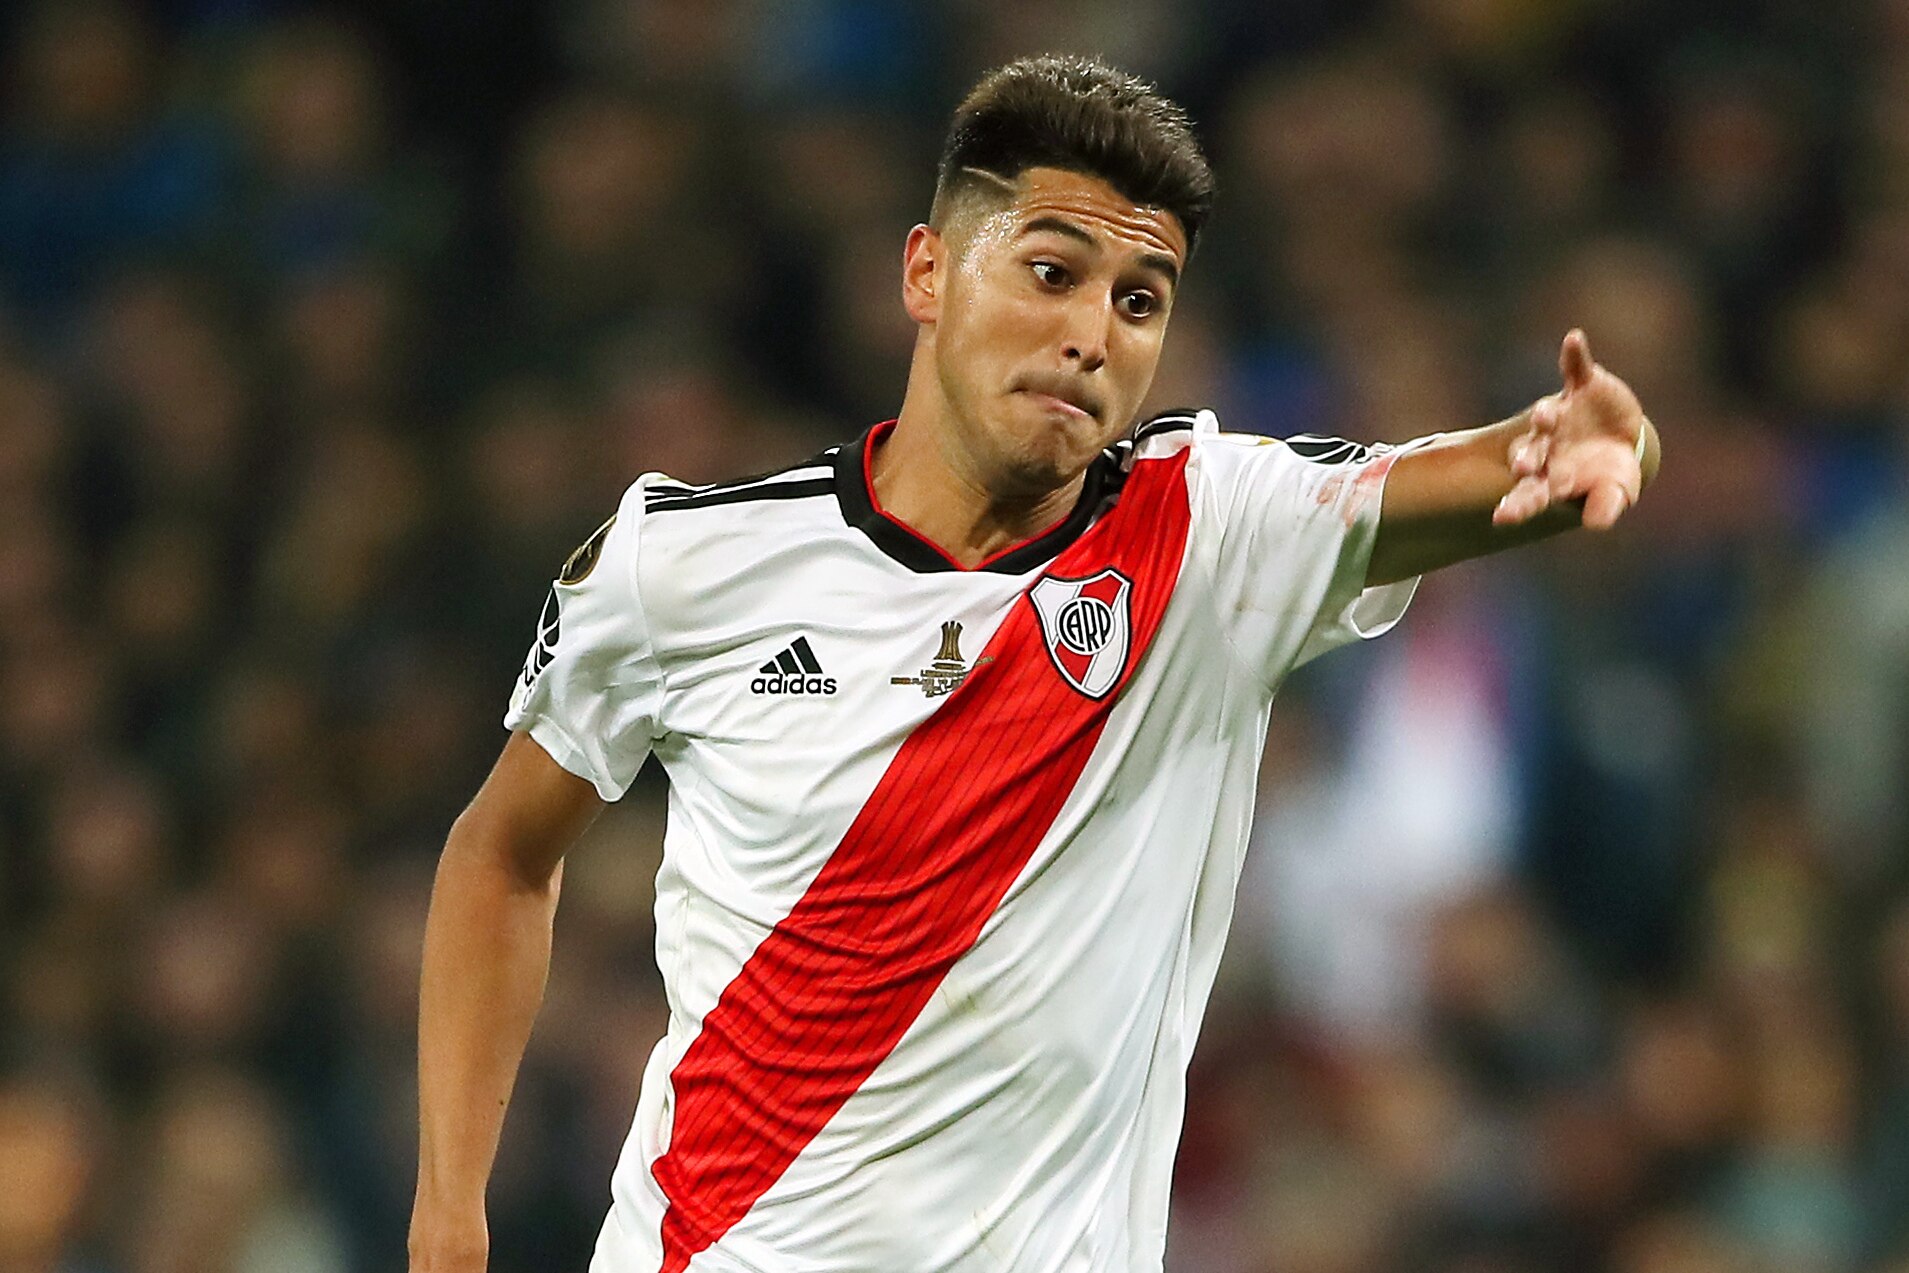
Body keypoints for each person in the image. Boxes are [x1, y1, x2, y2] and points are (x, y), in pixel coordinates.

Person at [408, 54, 1659, 1273]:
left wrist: (1588, 450)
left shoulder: (1210, 537)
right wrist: (448, 1223)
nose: (1091, 335)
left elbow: (1476, 474)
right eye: (1052, 274)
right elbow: (501, 853)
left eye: (1139, 301)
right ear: (928, 271)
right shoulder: (684, 563)